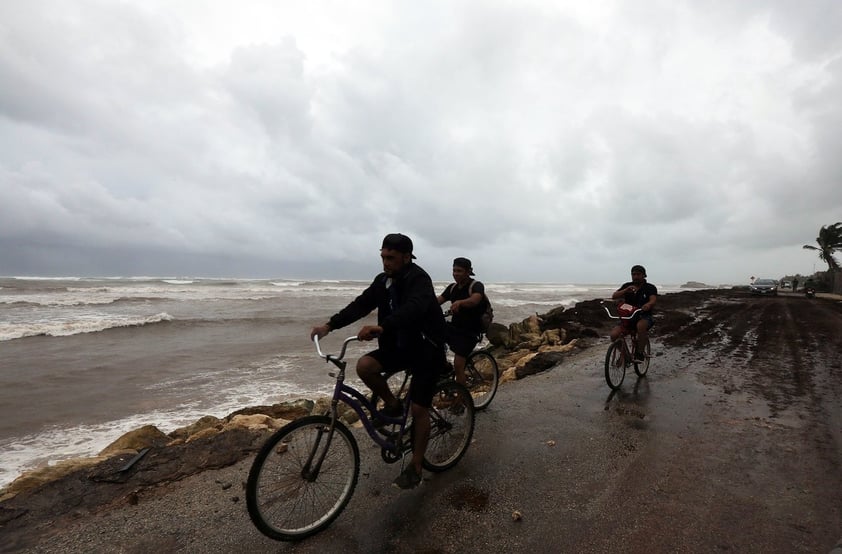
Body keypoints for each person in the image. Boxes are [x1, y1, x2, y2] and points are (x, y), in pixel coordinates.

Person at [309, 233, 446, 490]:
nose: (386, 263)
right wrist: (329, 325)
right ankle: (393, 405)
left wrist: (383, 326)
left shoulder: (419, 279)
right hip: (399, 346)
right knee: (365, 366)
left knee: (418, 410)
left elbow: (414, 308)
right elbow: (361, 304)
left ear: (406, 257)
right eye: (383, 257)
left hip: (427, 347)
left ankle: (416, 467)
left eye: (391, 258)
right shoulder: (383, 281)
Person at [437, 257, 487, 385]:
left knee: (458, 366)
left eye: (459, 271)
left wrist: (460, 302)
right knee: (432, 338)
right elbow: (438, 301)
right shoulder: (452, 288)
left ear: (468, 271)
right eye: (454, 270)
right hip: (455, 328)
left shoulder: (476, 286)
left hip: (470, 332)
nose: (455, 274)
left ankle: (461, 400)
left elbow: (475, 300)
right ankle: (444, 368)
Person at [610, 264, 657, 361]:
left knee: (640, 326)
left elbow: (653, 300)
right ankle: (626, 357)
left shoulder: (650, 287)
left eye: (638, 274)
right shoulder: (627, 286)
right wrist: (625, 290)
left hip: (644, 316)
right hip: (628, 317)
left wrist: (648, 305)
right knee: (614, 335)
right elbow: (614, 296)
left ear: (644, 275)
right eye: (633, 274)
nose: (635, 276)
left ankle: (639, 352)